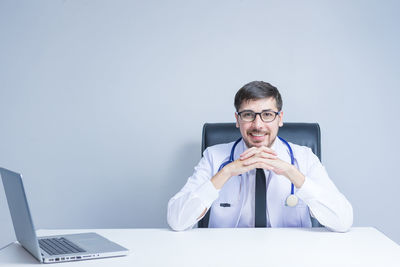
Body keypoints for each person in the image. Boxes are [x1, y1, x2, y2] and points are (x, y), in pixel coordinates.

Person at [167, 81, 353, 232]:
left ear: (280, 119)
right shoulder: (214, 156)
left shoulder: (303, 157)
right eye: (248, 115)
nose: (258, 125)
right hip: (226, 257)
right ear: (237, 119)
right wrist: (226, 172)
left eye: (267, 115)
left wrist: (291, 173)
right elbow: (177, 221)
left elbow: (342, 221)